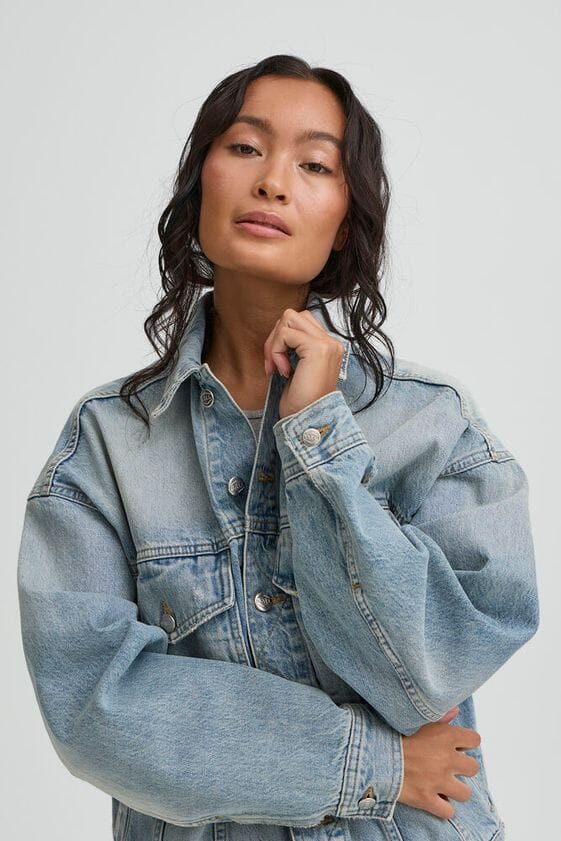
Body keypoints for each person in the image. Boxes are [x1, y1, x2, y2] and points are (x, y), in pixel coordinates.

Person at [17, 54, 539, 841]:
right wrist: (372, 762)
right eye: (245, 147)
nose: (271, 182)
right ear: (199, 184)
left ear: (346, 221)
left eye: (314, 164)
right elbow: (94, 706)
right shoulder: (106, 444)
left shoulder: (434, 426)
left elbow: (430, 668)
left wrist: (319, 440)